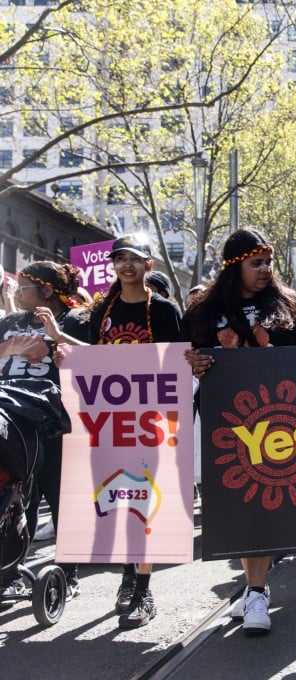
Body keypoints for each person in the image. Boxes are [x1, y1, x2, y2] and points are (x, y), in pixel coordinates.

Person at [184, 228, 296, 634]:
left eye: (268, 262)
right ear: (235, 267)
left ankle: (254, 591)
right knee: (245, 506)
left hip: (280, 423)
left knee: (266, 504)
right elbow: (183, 359)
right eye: (256, 263)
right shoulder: (202, 312)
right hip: (227, 426)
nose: (266, 270)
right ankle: (256, 591)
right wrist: (192, 363)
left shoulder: (287, 307)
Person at [84, 233, 184, 628]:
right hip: (110, 424)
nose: (127, 265)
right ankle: (128, 575)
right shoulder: (100, 312)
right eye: (120, 258)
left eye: (135, 259)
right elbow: (91, 363)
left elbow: (177, 365)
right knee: (117, 498)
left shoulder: (164, 311)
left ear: (149, 266)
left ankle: (143, 589)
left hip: (151, 423)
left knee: (145, 501)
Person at [0, 262, 90, 598]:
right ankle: (10, 572)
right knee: (15, 499)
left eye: (24, 287)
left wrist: (55, 344)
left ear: (47, 290)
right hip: (11, 423)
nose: (18, 292)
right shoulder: (8, 323)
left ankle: (69, 572)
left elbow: (103, 362)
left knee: (60, 497)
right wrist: (10, 348)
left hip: (56, 424)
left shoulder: (77, 321)